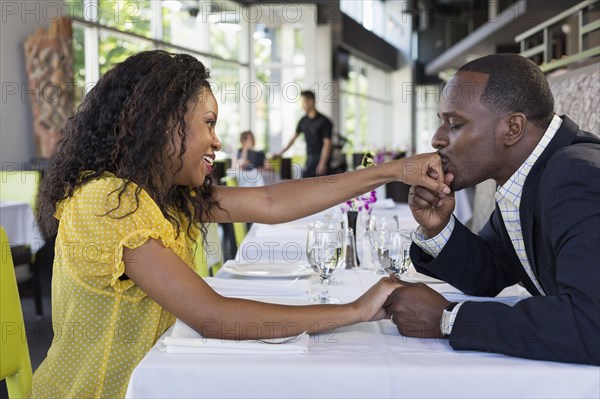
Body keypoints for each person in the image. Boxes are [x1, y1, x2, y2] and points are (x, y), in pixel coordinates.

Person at [32, 50, 451, 398]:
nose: (217, 141)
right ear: (159, 124)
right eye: (208, 123)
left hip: (155, 383)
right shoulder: (109, 201)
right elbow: (212, 316)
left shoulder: (164, 198)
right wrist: (356, 310)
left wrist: (389, 172)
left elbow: (270, 201)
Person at [385, 53, 600, 365]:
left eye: (455, 124)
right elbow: (490, 273)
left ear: (512, 128)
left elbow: (591, 324)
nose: (437, 138)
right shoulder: (532, 174)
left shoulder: (575, 175)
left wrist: (448, 319)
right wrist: (439, 227)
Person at [276, 90, 333, 177]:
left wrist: (322, 163)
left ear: (311, 101)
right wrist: (280, 152)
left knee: (320, 187)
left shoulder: (324, 121)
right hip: (309, 159)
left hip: (322, 159)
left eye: (303, 102)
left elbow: (327, 144)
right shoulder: (303, 121)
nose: (302, 105)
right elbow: (293, 139)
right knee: (305, 182)